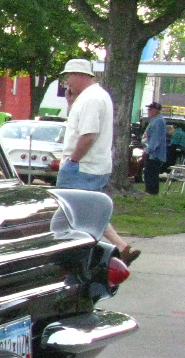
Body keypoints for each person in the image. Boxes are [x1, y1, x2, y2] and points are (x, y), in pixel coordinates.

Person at [55, 58, 138, 264]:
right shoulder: (96, 96)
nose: (67, 82)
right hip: (96, 165)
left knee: (69, 213)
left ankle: (81, 257)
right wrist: (71, 104)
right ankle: (121, 247)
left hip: (83, 166)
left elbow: (89, 135)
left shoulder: (91, 99)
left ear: (80, 75)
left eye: (69, 76)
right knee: (91, 211)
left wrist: (72, 161)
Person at [142, 101, 169, 195]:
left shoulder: (158, 121)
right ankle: (149, 190)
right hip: (152, 152)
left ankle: (151, 191)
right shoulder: (154, 120)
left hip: (154, 154)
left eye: (150, 109)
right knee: (148, 171)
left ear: (156, 110)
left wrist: (149, 150)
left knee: (151, 172)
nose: (148, 111)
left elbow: (156, 139)